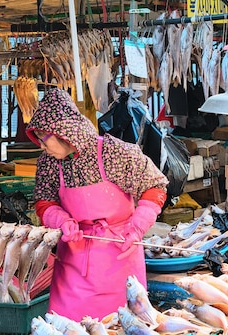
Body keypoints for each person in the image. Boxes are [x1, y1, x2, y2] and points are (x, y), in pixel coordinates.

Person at [27, 88, 168, 321]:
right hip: (74, 261)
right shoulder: (49, 163)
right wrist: (60, 220)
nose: (41, 146)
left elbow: (155, 186)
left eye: (43, 139)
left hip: (121, 255)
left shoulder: (115, 152)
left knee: (124, 331)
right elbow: (44, 200)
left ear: (63, 132)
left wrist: (138, 227)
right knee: (69, 331)